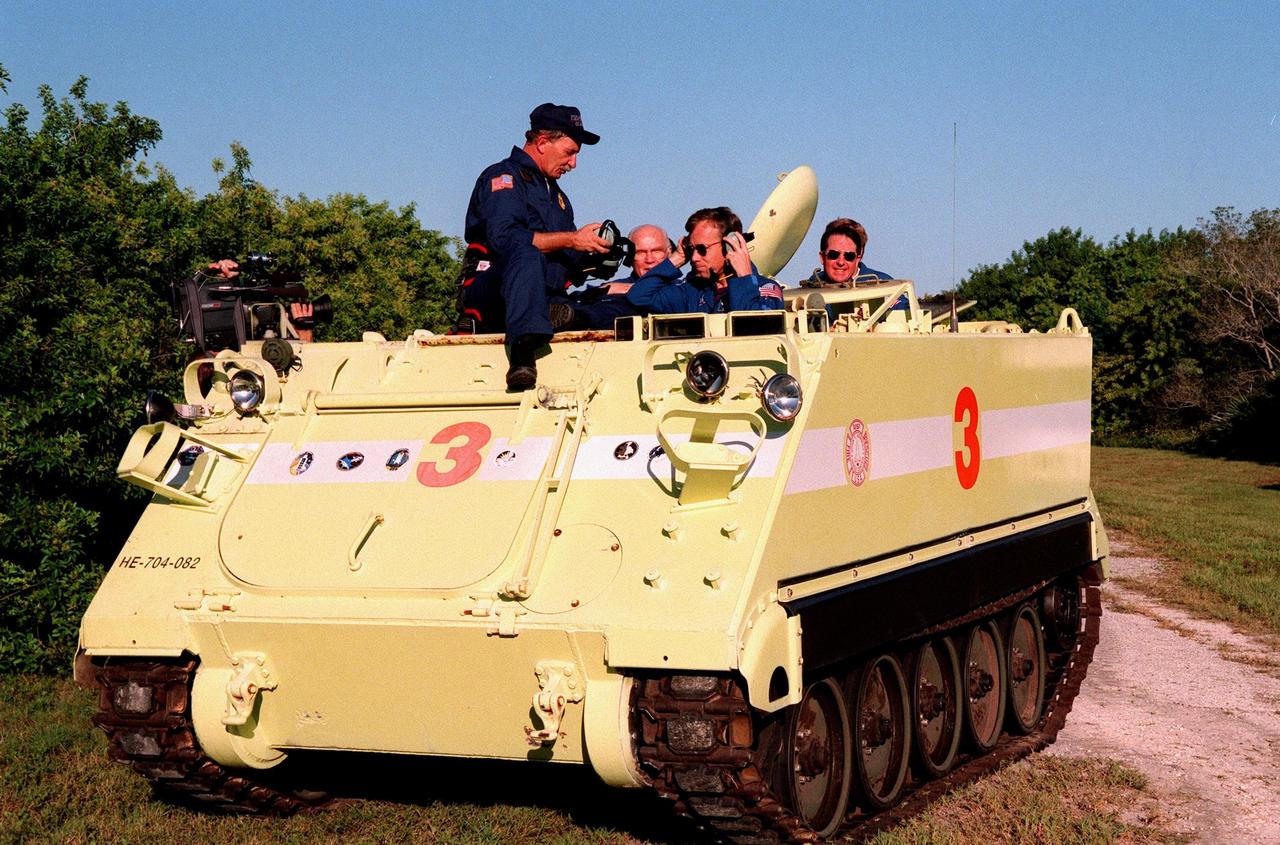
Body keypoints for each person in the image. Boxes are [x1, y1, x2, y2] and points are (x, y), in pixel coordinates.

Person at [458, 103, 611, 390]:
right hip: (494, 291)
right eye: (570, 152)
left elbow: (566, 260)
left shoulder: (558, 197)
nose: (573, 163)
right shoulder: (504, 177)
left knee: (616, 305)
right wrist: (571, 238)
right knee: (526, 252)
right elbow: (506, 240)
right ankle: (523, 354)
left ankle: (568, 316)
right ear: (542, 142)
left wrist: (595, 255)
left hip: (543, 295)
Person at [627, 207, 784, 314]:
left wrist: (744, 280)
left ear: (729, 245)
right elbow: (639, 296)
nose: (694, 258)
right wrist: (678, 258)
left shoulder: (766, 289)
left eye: (702, 250)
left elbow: (756, 330)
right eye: (692, 250)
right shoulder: (692, 291)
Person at [566, 224, 683, 328]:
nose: (649, 259)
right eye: (640, 252)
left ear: (669, 253)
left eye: (657, 251)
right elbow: (577, 299)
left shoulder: (683, 290)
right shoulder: (613, 288)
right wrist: (601, 292)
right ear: (629, 257)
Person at [799, 218, 894, 288]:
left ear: (858, 258)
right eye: (833, 255)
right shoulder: (813, 284)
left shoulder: (883, 284)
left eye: (849, 256)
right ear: (822, 257)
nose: (841, 262)